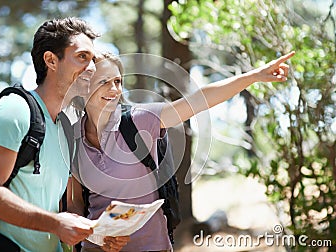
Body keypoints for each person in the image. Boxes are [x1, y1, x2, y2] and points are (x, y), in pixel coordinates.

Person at [67, 51, 295, 251]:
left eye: (118, 81)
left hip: (151, 247)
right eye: (104, 81)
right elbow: (76, 203)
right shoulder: (71, 138)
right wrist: (94, 236)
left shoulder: (140, 121)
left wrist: (253, 76)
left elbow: (199, 100)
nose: (114, 89)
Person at [0, 17, 103, 252]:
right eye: (83, 57)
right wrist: (56, 224)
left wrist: (95, 234)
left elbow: (60, 207)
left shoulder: (66, 127)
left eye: (93, 59)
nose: (92, 68)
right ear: (51, 60)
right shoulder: (13, 111)